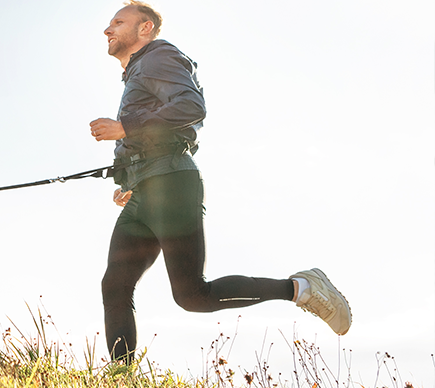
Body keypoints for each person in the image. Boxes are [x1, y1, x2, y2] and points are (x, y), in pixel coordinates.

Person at [87, 1, 352, 362]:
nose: (108, 29)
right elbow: (154, 132)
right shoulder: (138, 71)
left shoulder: (157, 57)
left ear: (145, 28)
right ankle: (120, 380)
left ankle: (302, 288)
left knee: (192, 295)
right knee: (115, 285)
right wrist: (126, 178)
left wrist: (125, 127)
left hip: (171, 184)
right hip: (145, 190)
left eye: (119, 22)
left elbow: (191, 107)